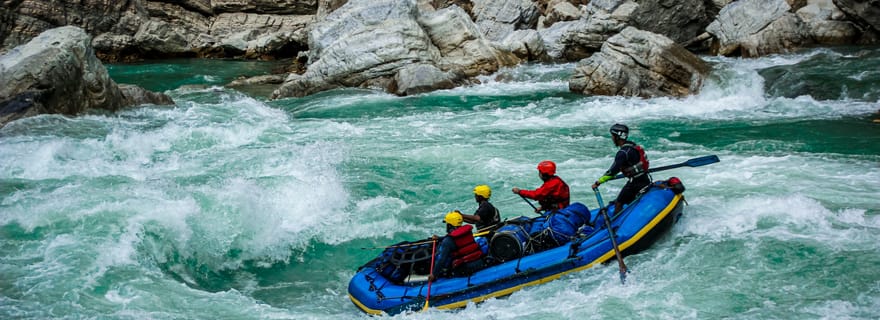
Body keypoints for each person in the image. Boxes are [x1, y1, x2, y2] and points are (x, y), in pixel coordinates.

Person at [591, 123, 651, 215]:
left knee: (619, 203)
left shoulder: (622, 153)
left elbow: (612, 171)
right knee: (629, 199)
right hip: (645, 179)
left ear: (617, 137)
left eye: (612, 136)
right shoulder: (632, 146)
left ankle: (615, 226)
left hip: (635, 183)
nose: (612, 138)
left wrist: (598, 182)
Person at [428, 211, 484, 281]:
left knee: (445, 272)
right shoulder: (468, 232)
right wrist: (439, 238)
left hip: (465, 268)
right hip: (479, 262)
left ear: (449, 225)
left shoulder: (448, 241)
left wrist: (433, 274)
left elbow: (441, 260)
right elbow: (456, 238)